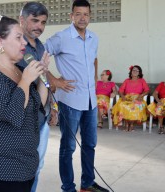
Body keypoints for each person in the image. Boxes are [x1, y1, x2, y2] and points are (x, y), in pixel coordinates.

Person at [0, 16, 49, 192]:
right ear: (0, 42)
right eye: (18, 37)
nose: (24, 43)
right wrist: (27, 80)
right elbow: (13, 114)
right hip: (1, 170)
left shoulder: (20, 71)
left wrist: (43, 76)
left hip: (25, 166)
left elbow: (37, 106)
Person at [44, 0, 109, 191]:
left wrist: (94, 79)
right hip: (70, 101)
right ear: (71, 16)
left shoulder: (93, 38)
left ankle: (87, 184)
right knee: (68, 147)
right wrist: (53, 81)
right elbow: (38, 57)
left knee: (89, 144)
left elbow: (94, 59)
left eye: (86, 14)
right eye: (78, 14)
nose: (82, 18)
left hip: (90, 101)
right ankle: (68, 187)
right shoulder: (61, 38)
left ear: (90, 16)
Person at [18, 2, 50, 191]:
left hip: (41, 117)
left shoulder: (40, 46)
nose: (39, 26)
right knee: (22, 169)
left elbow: (44, 78)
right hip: (22, 119)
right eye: (35, 20)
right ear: (22, 20)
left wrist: (52, 107)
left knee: (37, 166)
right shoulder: (14, 46)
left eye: (43, 22)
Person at [112, 65, 149, 132]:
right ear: (131, 72)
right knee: (122, 105)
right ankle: (126, 124)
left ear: (139, 73)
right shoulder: (127, 80)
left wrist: (141, 96)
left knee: (134, 106)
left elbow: (147, 90)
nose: (135, 71)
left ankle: (131, 125)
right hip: (127, 97)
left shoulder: (142, 80)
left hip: (137, 97)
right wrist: (122, 96)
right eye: (133, 70)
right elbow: (120, 90)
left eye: (137, 70)